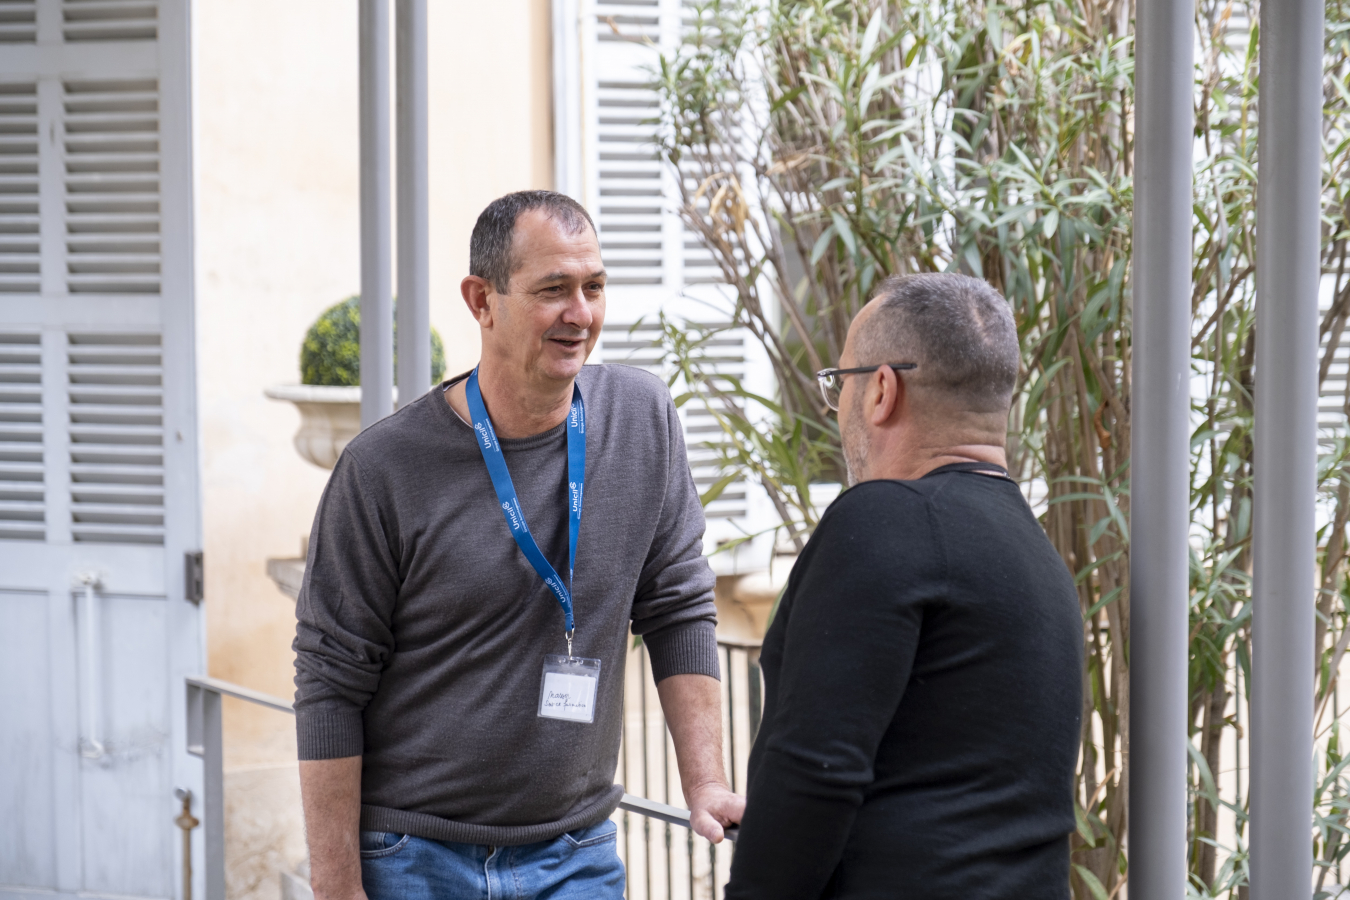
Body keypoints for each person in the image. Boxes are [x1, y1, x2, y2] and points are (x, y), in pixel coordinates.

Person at [293, 190, 744, 900]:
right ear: (483, 300)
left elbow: (678, 605)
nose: (581, 313)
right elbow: (330, 681)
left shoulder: (643, 418)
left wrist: (707, 783)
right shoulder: (383, 468)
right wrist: (338, 887)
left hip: (576, 852)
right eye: (553, 290)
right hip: (413, 856)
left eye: (594, 287)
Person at [724, 273, 1082, 899]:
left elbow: (815, 769)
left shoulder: (885, 518)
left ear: (882, 390)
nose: (838, 408)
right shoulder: (1039, 559)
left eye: (840, 384)